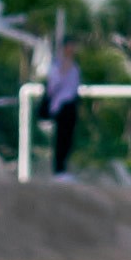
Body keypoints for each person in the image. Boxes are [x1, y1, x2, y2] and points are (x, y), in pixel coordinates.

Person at [42, 33, 82, 175]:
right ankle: (58, 170)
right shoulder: (57, 65)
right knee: (60, 138)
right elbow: (52, 87)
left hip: (71, 105)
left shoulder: (75, 66)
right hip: (60, 106)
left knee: (68, 139)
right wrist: (62, 71)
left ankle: (63, 168)